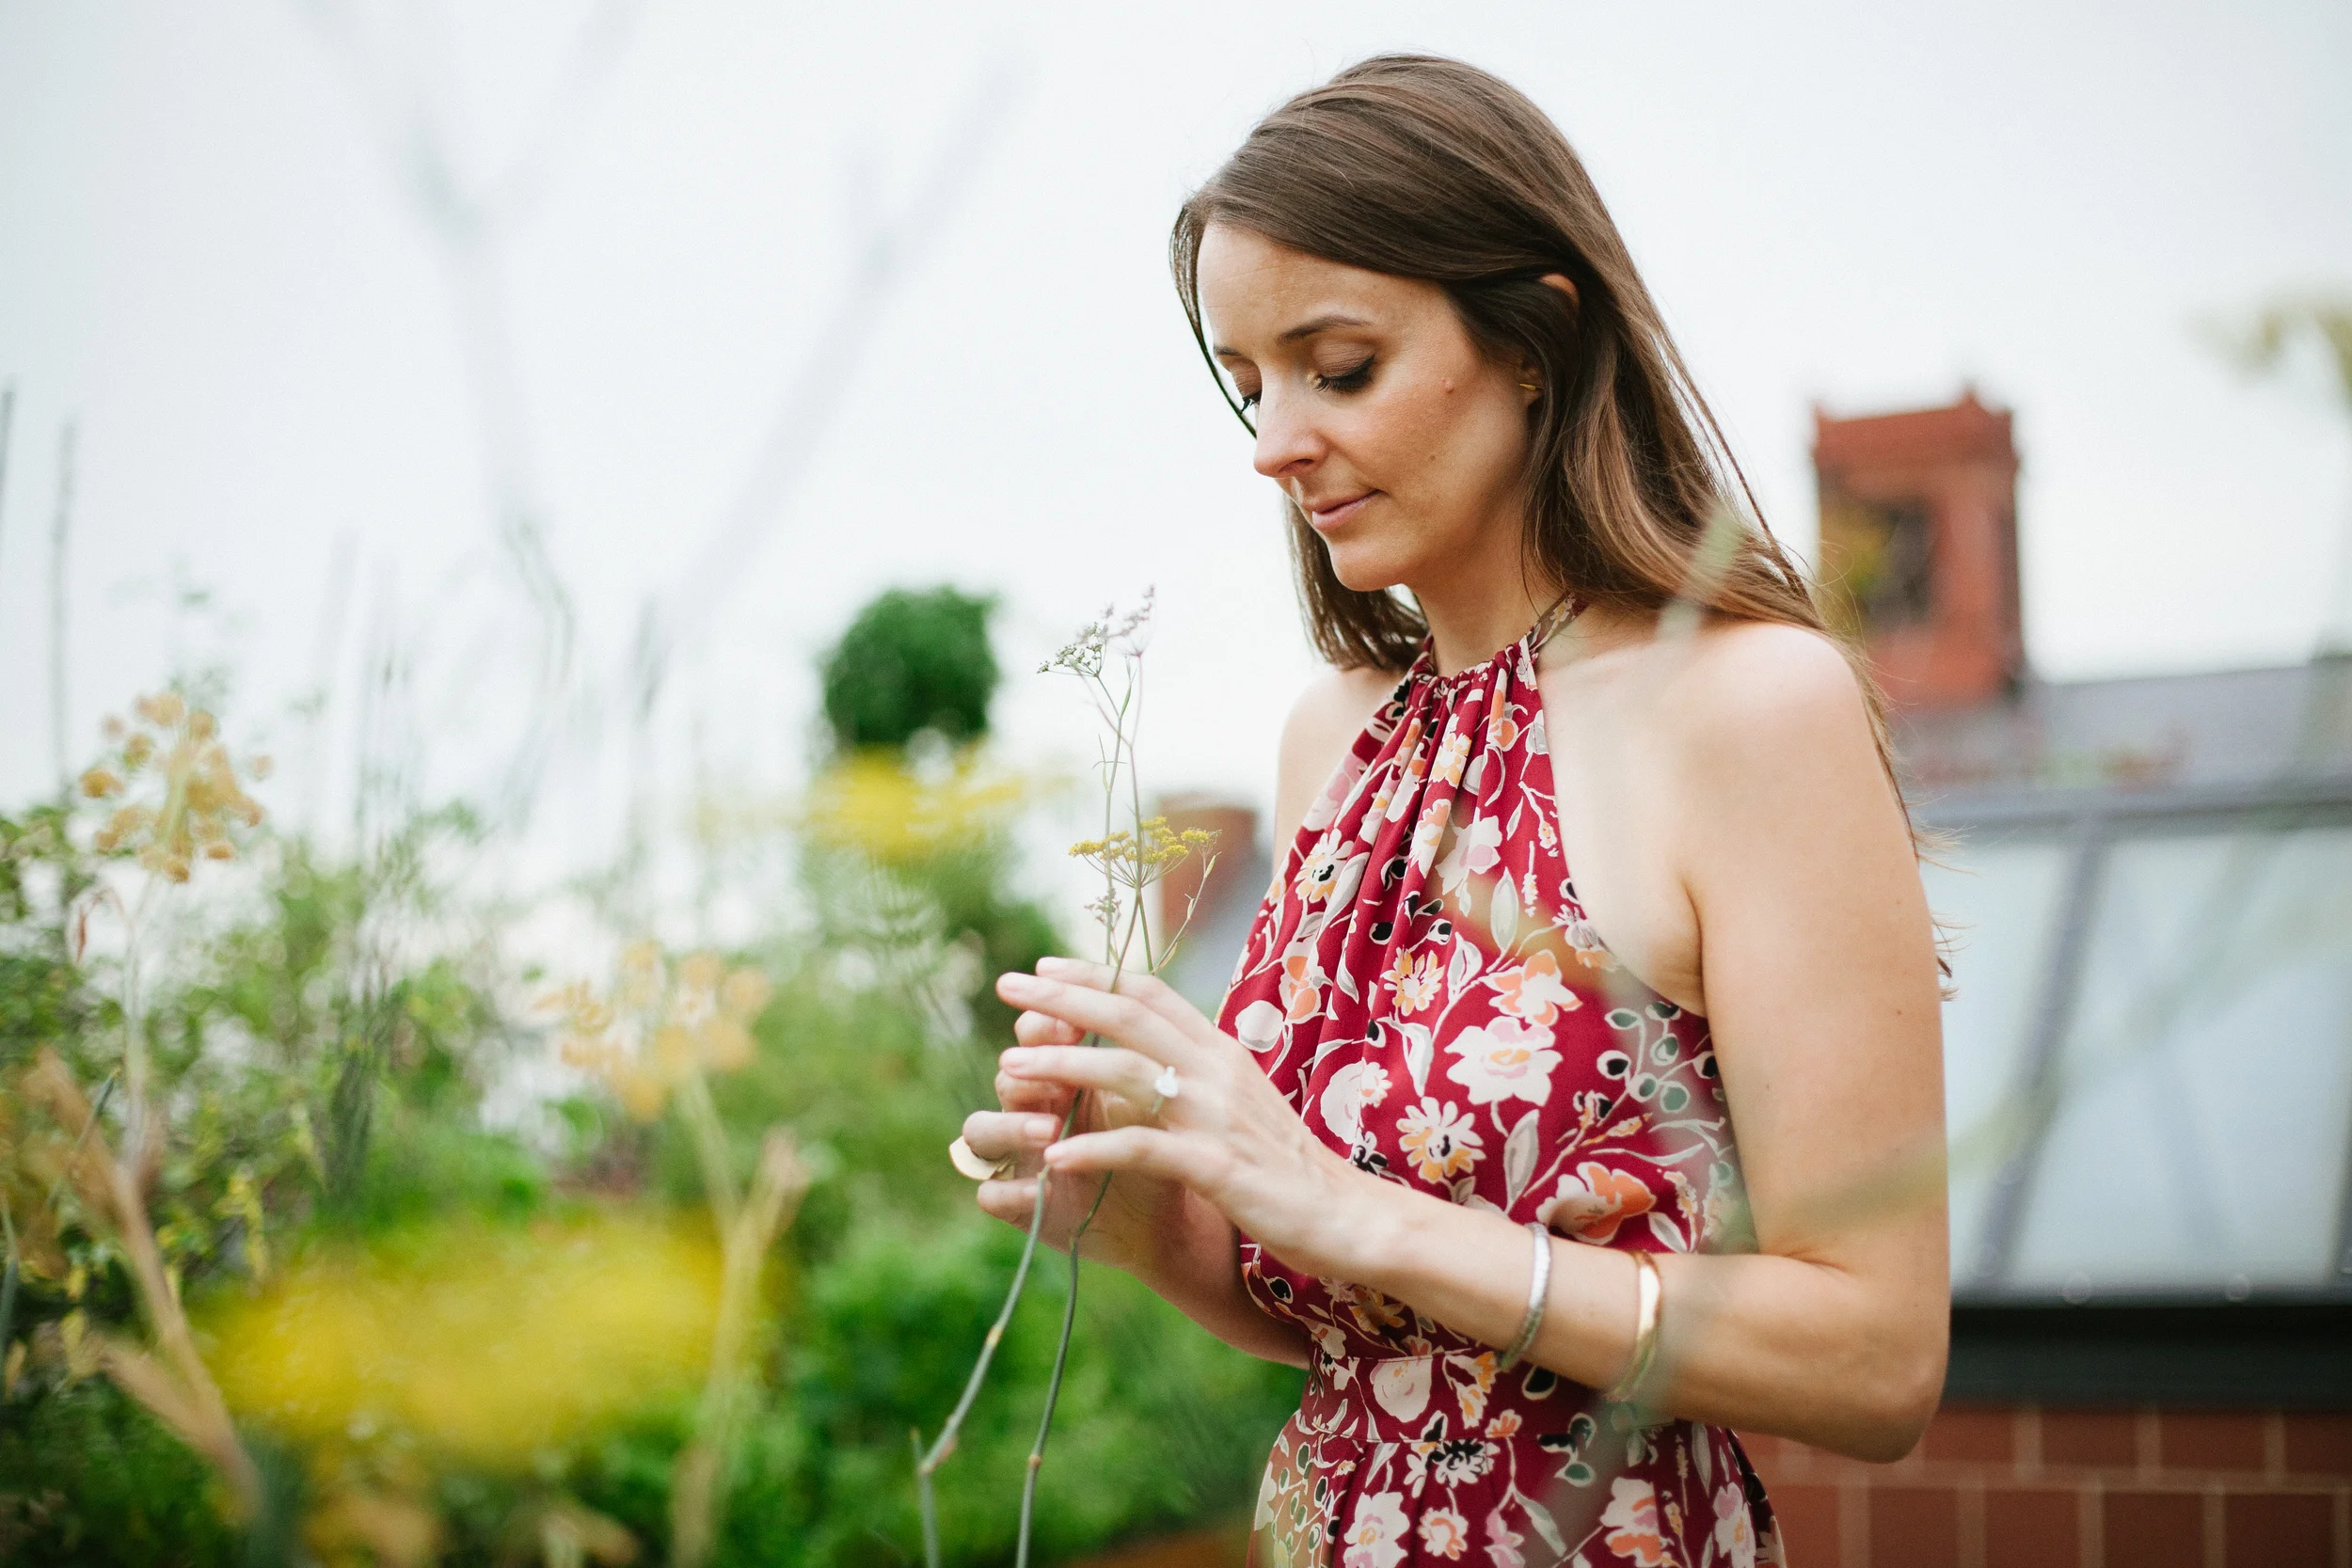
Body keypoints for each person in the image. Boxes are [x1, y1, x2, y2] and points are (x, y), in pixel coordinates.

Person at [957, 54, 1947, 1568]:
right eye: (1248, 382)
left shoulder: (1751, 708)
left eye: (1335, 366)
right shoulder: (1331, 742)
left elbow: (1877, 1359)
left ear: (1536, 335)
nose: (1273, 441)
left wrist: (1373, 1215)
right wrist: (1139, 1212)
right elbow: (1362, 1323)